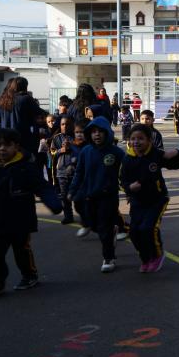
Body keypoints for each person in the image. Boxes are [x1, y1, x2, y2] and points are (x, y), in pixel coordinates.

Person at [0, 128, 62, 299]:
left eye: (7, 145)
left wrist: (53, 202)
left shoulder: (25, 168)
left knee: (21, 250)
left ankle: (29, 275)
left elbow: (42, 187)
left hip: (21, 220)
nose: (2, 149)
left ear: (16, 146)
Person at [120, 123, 179, 273]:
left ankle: (157, 255)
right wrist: (129, 188)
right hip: (137, 201)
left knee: (148, 228)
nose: (136, 142)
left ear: (149, 140)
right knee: (134, 232)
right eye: (133, 138)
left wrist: (177, 153)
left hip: (157, 199)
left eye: (140, 138)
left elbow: (174, 164)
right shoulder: (127, 159)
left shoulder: (155, 154)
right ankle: (145, 258)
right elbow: (121, 180)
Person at [68, 117, 124, 273]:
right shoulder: (86, 151)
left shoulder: (116, 152)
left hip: (108, 197)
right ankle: (110, 233)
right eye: (93, 132)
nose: (97, 134)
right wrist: (72, 190)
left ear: (107, 133)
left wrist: (130, 189)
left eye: (100, 131)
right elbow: (79, 173)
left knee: (104, 228)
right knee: (94, 225)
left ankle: (109, 258)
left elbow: (127, 170)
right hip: (89, 195)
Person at [0, 77, 44, 155]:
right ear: (25, 86)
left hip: (5, 137)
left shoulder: (2, 100)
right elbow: (39, 113)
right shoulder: (26, 99)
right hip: (22, 137)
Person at [50, 116, 83, 225]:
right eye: (63, 124)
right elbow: (52, 152)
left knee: (78, 197)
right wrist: (61, 150)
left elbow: (82, 151)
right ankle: (68, 216)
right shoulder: (56, 138)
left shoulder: (77, 136)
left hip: (76, 172)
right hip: (62, 172)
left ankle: (84, 215)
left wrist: (71, 147)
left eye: (67, 124)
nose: (65, 126)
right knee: (64, 197)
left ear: (72, 125)